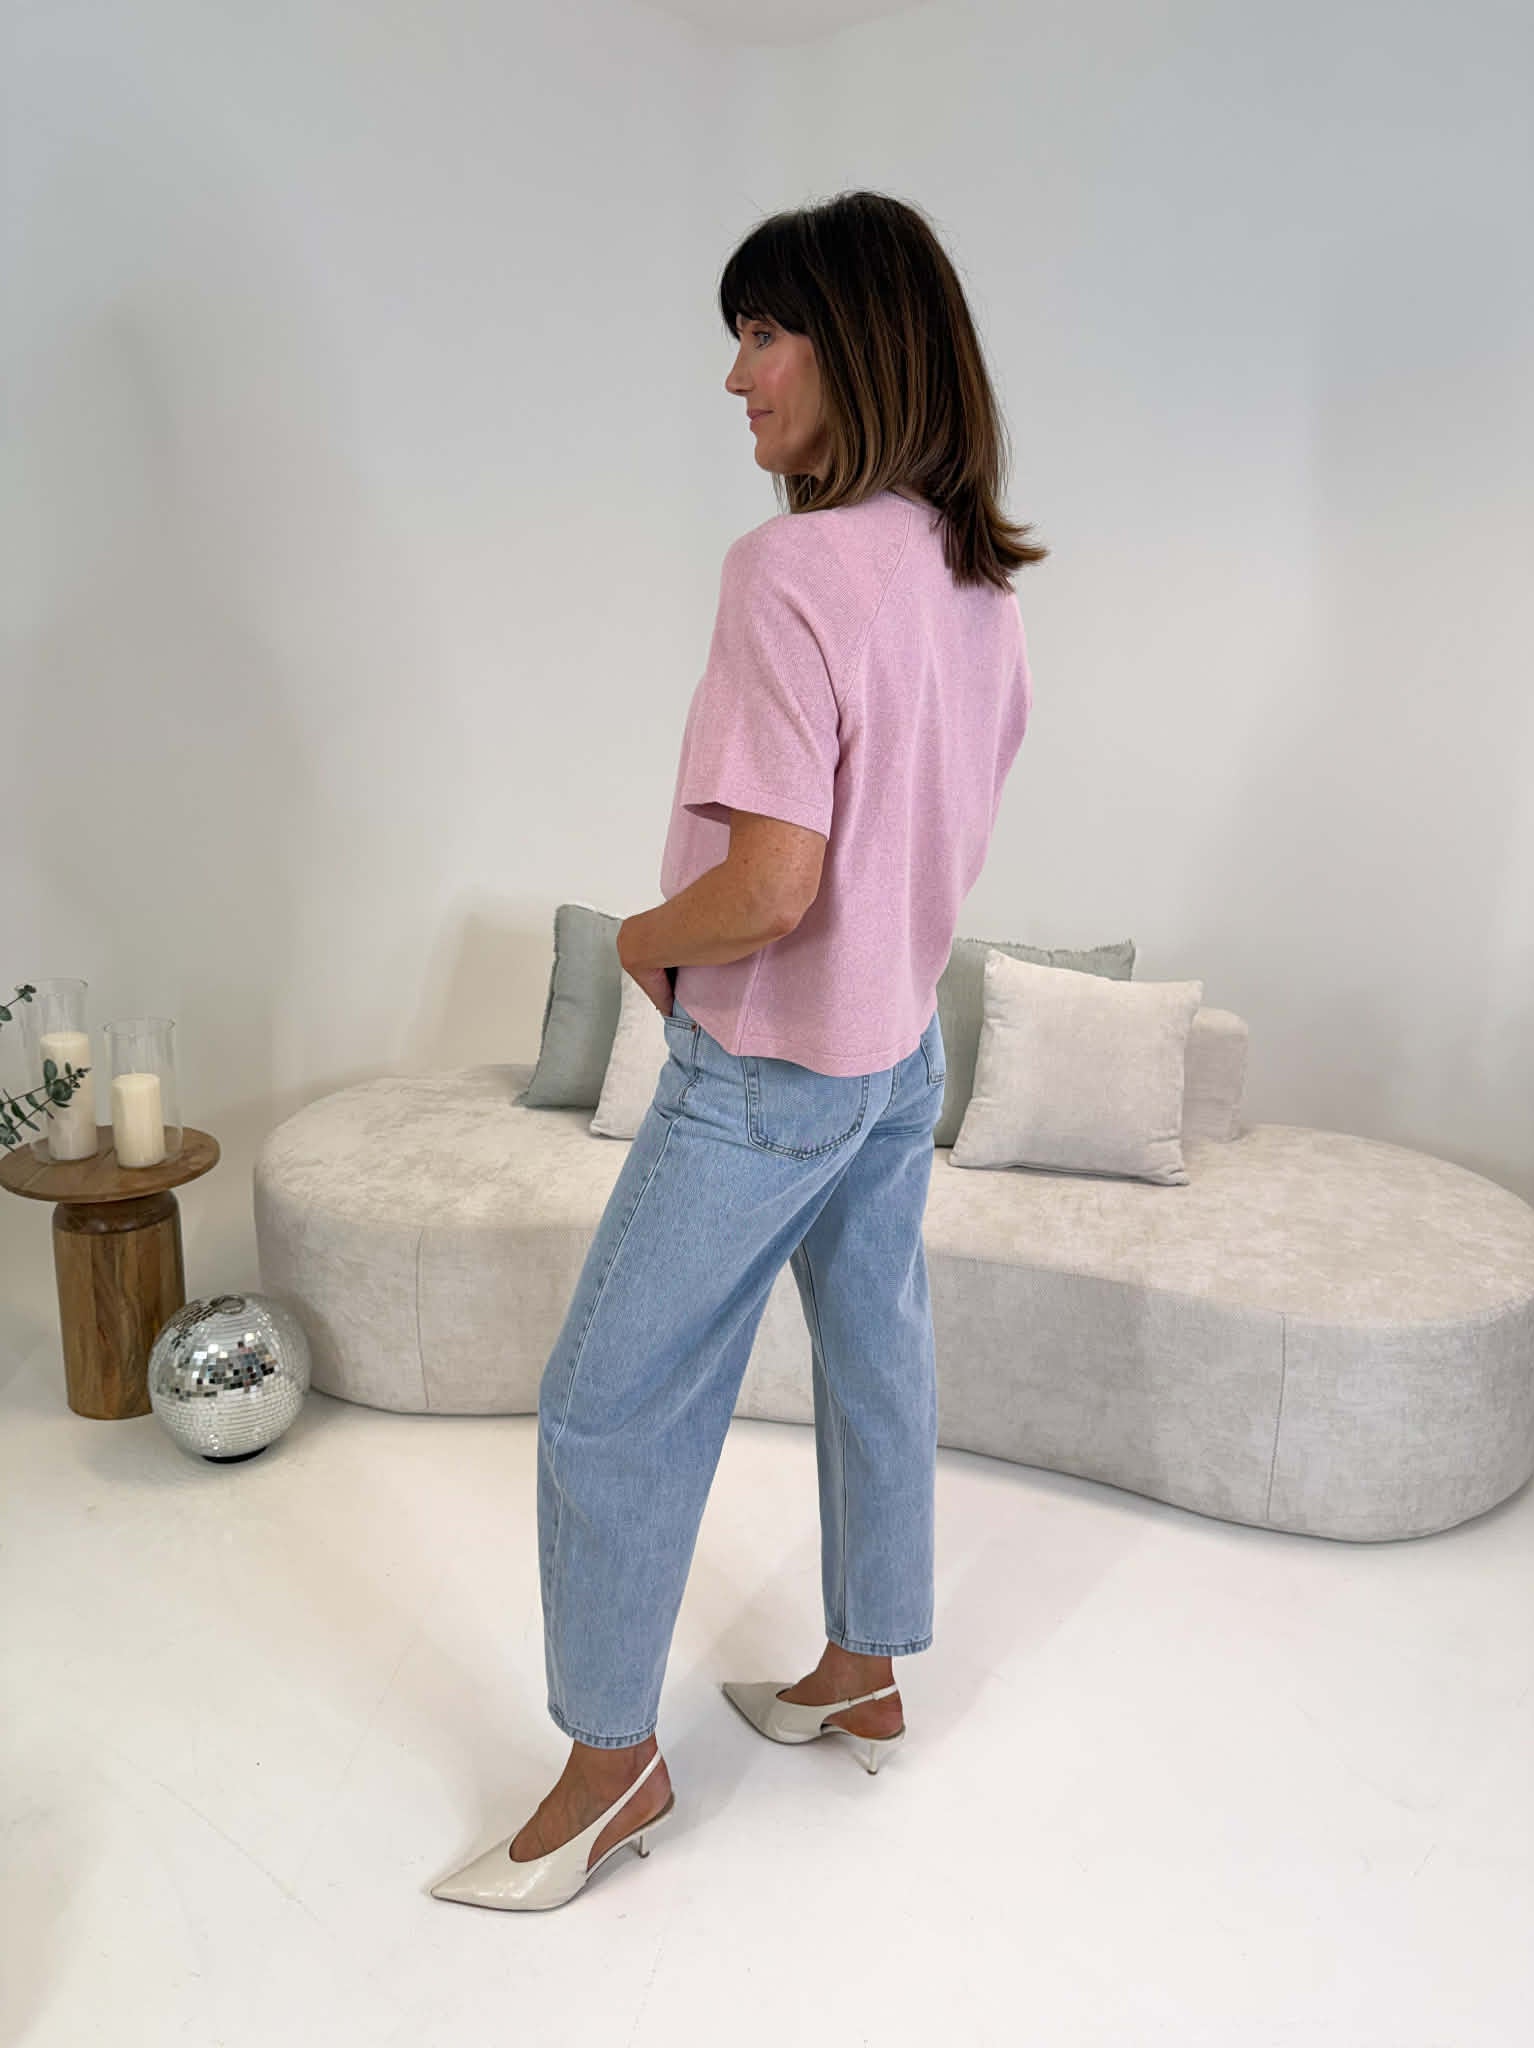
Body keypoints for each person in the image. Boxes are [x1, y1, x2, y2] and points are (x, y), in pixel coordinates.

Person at [430, 188, 1047, 1910]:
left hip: (769, 1078)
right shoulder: (979, 586)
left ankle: (611, 1768)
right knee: (876, 1358)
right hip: (896, 1059)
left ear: (861, 344)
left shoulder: (789, 571)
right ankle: (866, 1665)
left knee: (605, 1403)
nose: (736, 375)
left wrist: (641, 941)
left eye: (765, 333)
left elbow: (776, 886)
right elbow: (934, 839)